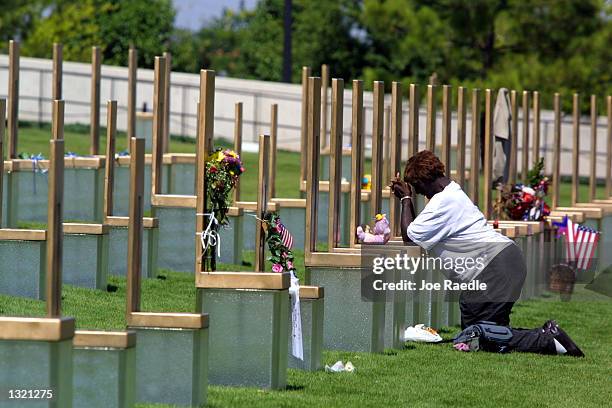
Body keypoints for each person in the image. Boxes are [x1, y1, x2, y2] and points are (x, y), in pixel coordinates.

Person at [390, 150, 584, 357]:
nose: (420, 194)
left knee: (477, 338)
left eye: (418, 187)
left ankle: (548, 339)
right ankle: (547, 334)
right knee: (486, 336)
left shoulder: (443, 202)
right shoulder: (454, 193)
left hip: (491, 269)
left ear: (425, 179)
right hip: (503, 262)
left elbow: (410, 237)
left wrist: (406, 199)